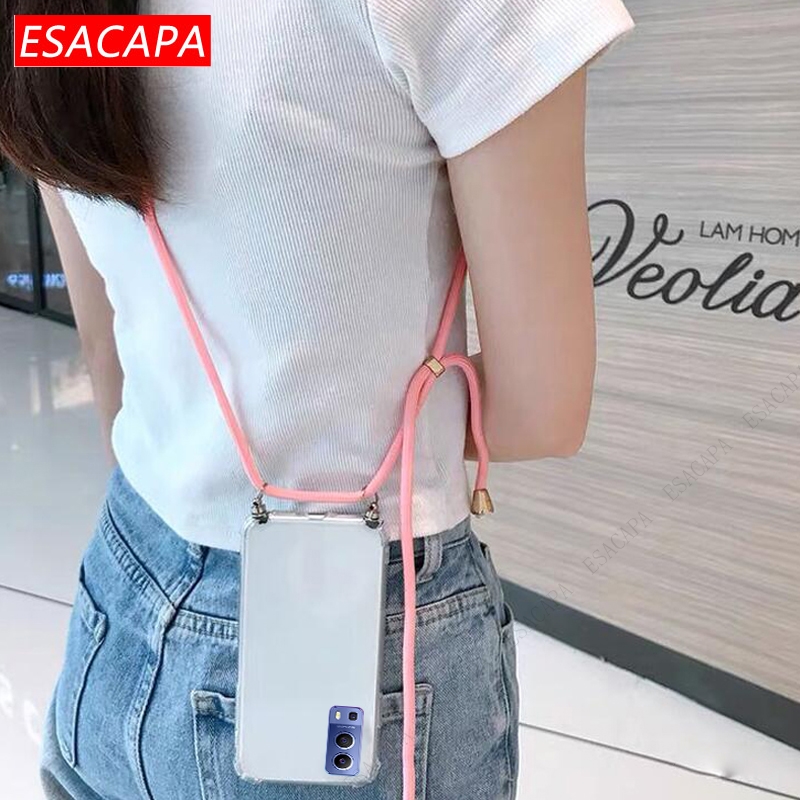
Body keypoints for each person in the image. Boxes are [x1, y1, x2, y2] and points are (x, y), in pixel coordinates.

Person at [0, 0, 635, 797]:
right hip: (356, 621)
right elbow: (540, 409)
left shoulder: (51, 22)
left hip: (121, 595)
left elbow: (110, 355)